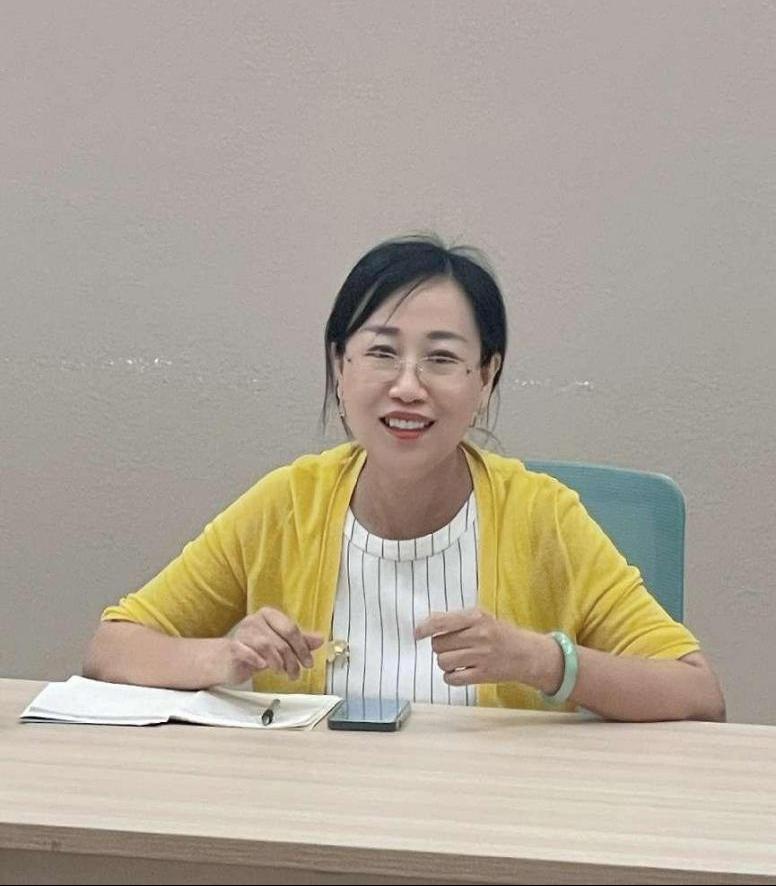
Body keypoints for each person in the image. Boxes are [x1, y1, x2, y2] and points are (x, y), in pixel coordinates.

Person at [84, 234, 726, 722]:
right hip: (315, 827)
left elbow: (698, 692)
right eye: (382, 352)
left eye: (442, 358)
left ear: (486, 377)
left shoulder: (542, 517)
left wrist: (542, 661)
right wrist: (223, 658)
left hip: (491, 832)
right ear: (340, 367)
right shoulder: (287, 504)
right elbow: (111, 648)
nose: (408, 386)